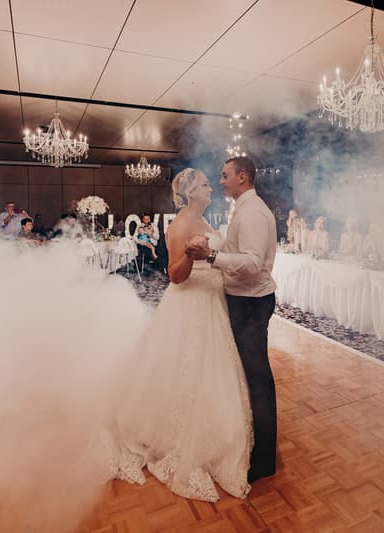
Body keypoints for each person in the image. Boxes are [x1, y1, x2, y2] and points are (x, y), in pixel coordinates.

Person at [111, 168, 252, 502]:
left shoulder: (203, 222)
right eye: (205, 184)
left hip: (212, 303)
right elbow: (174, 275)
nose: (211, 188)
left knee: (211, 370)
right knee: (187, 368)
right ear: (190, 193)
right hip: (191, 303)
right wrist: (189, 257)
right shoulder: (180, 224)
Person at [186, 156, 278, 484]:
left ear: (242, 177)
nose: (220, 181)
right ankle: (256, 443)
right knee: (250, 375)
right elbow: (240, 251)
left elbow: (252, 263)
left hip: (252, 304)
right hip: (244, 300)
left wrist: (210, 256)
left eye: (225, 176)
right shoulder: (243, 207)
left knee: (258, 378)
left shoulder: (252, 212)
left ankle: (265, 458)